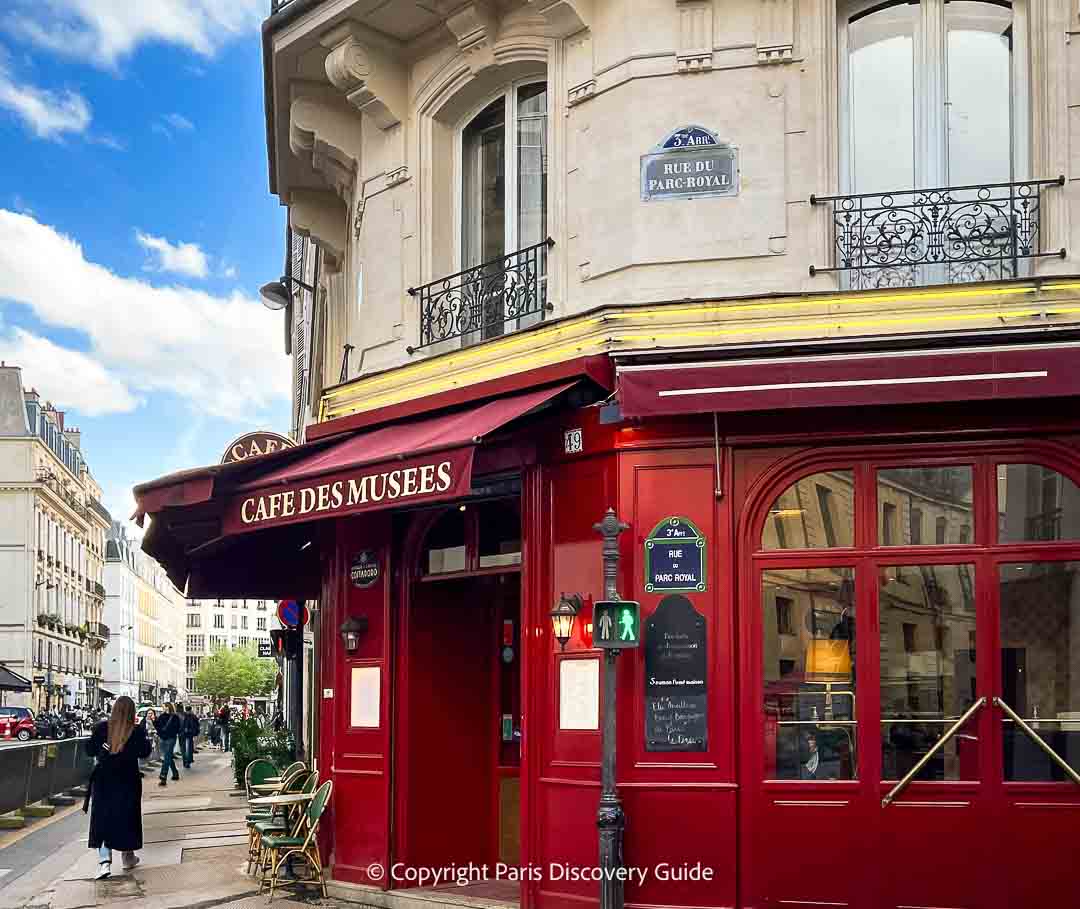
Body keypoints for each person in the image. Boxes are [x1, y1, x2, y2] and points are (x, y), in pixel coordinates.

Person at [84, 696, 152, 880]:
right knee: (126, 818)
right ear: (132, 712)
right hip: (127, 781)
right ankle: (128, 856)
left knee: (103, 819)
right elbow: (145, 752)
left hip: (104, 780)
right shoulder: (136, 731)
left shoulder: (101, 728)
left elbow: (89, 749)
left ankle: (104, 861)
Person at [153, 703, 181, 787]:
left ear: (168, 707)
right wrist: (154, 721)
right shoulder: (161, 716)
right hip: (162, 739)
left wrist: (169, 733)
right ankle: (175, 773)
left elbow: (177, 728)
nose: (162, 708)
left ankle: (163, 776)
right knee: (168, 756)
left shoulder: (175, 717)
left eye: (164, 707)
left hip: (170, 739)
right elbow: (158, 727)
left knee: (167, 757)